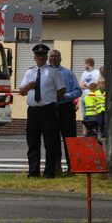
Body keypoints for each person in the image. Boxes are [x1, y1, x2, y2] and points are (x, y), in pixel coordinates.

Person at [19, 44, 65, 178]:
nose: (40, 58)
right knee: (32, 142)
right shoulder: (30, 72)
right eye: (37, 56)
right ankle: (33, 171)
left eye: (42, 56)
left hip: (47, 110)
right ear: (34, 58)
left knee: (50, 142)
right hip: (33, 111)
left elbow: (61, 90)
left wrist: (50, 100)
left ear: (46, 57)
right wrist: (28, 86)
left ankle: (49, 172)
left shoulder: (53, 72)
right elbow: (22, 92)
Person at [48, 49, 81, 175]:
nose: (53, 59)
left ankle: (72, 168)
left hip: (66, 107)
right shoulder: (44, 72)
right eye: (51, 56)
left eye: (56, 56)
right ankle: (56, 169)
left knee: (70, 139)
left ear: (60, 59)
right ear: (48, 58)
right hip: (50, 109)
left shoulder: (68, 73)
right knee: (53, 140)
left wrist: (65, 96)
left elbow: (78, 91)